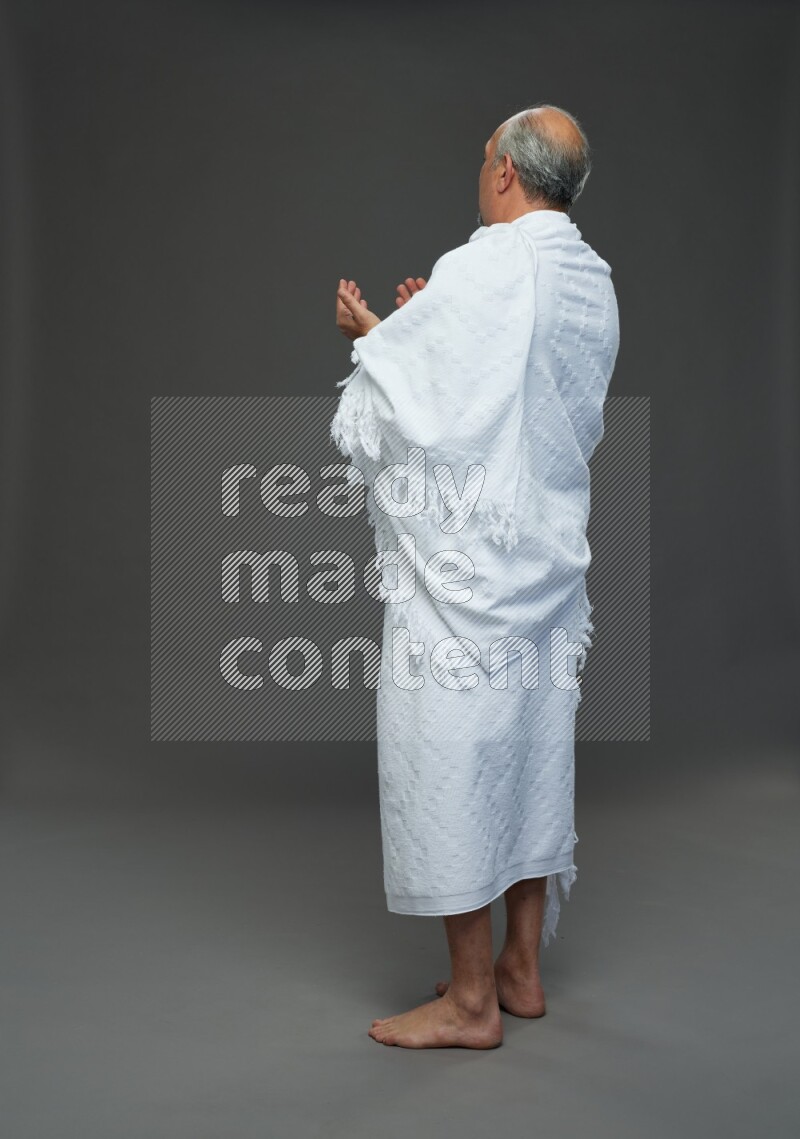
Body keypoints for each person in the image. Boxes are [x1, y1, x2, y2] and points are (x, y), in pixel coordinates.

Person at [331, 104, 619, 1049]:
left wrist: (374, 334)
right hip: (548, 558)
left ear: (505, 171)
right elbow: (510, 395)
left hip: (468, 578)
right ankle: (520, 970)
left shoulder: (489, 262)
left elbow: (425, 410)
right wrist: (422, 330)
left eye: (484, 160)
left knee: (451, 751)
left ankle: (468, 1001)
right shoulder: (592, 278)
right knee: (530, 751)